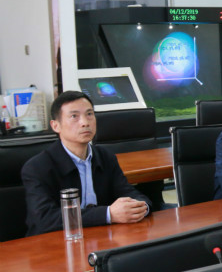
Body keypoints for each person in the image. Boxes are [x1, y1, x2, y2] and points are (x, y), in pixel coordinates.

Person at [22, 90, 151, 236]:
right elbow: (45, 219)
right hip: (53, 242)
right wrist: (108, 214)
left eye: (89, 114)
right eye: (74, 116)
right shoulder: (37, 167)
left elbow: (129, 193)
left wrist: (141, 207)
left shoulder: (105, 156)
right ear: (56, 126)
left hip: (101, 237)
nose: (85, 122)